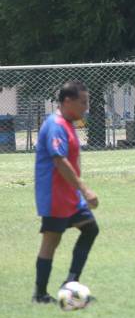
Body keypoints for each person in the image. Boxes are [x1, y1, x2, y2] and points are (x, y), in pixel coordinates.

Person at [33, 81, 99, 304]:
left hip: (70, 196)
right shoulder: (56, 125)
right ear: (67, 101)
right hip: (55, 196)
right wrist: (85, 188)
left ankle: (70, 283)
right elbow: (59, 161)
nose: (86, 107)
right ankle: (40, 294)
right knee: (51, 241)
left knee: (90, 229)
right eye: (83, 102)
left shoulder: (69, 123)